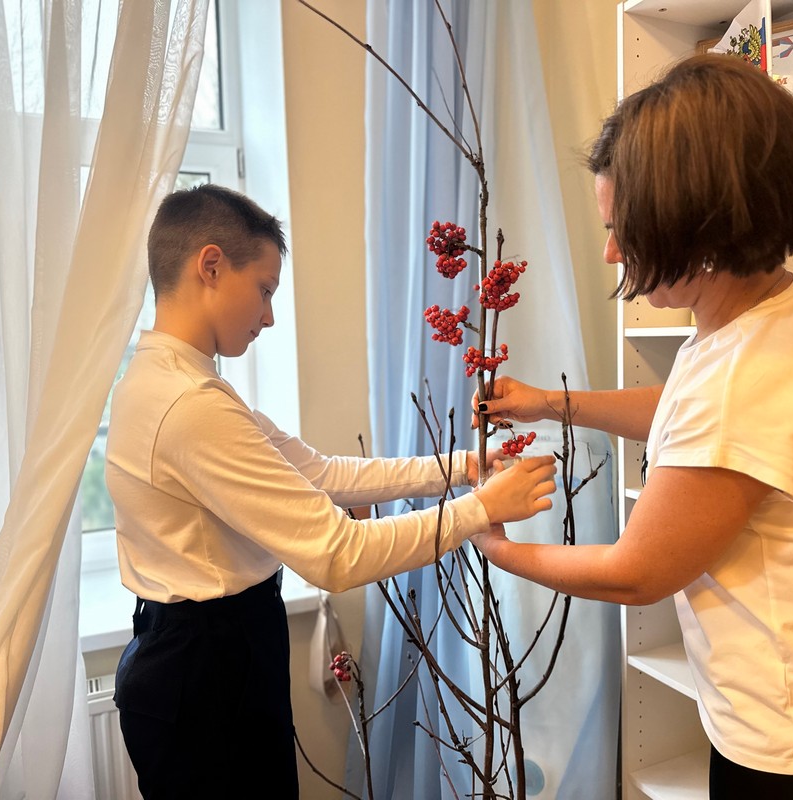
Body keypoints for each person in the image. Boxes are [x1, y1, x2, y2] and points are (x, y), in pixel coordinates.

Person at [471, 54, 793, 799]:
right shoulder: (786, 308)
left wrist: (496, 547)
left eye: (622, 231)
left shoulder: (747, 371)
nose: (610, 252)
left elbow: (636, 573)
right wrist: (550, 403)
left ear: (698, 227)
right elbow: (694, 421)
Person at [104, 183, 557, 799]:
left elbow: (324, 474)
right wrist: (478, 511)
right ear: (211, 266)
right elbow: (336, 555)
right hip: (205, 674)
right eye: (264, 289)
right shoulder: (190, 406)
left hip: (201, 656)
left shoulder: (167, 382)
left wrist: (466, 467)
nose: (268, 316)